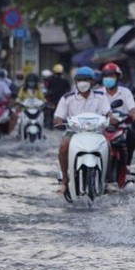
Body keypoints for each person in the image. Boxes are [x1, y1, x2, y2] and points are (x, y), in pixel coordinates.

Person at [53, 66, 116, 201]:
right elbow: (58, 117)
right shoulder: (67, 98)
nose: (83, 82)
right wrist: (58, 120)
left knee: (109, 147)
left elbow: (108, 113)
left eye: (86, 79)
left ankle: (107, 180)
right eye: (79, 80)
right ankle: (65, 180)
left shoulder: (101, 96)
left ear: (92, 81)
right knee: (64, 146)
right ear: (75, 82)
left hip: (96, 132)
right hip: (73, 133)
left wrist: (113, 118)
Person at [100, 62, 135, 167]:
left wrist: (134, 115)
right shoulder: (98, 93)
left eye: (111, 76)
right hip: (102, 128)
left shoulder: (125, 92)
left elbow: (132, 109)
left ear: (118, 77)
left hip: (121, 128)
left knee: (133, 137)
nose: (108, 78)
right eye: (106, 76)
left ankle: (127, 164)